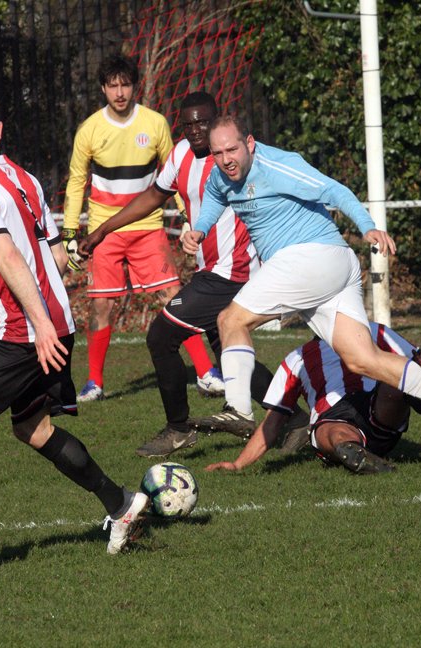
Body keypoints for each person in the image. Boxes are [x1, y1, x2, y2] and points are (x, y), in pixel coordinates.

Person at [0, 92, 148, 578]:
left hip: (27, 331)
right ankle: (121, 503)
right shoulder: (26, 179)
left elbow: (7, 255)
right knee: (32, 429)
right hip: (59, 323)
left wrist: (38, 325)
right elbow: (56, 257)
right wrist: (51, 316)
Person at [182, 115, 421, 447]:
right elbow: (214, 198)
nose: (226, 159)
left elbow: (332, 189)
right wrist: (200, 230)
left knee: (230, 320)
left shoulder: (278, 165)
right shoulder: (220, 177)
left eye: (232, 149)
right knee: (363, 359)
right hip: (328, 269)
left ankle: (238, 410)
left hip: (311, 256)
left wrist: (367, 226)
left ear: (250, 143)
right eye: (218, 153)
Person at [80, 92, 307, 457]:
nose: (196, 129)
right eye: (189, 124)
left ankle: (178, 429)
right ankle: (294, 418)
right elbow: (154, 196)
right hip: (211, 269)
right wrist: (104, 229)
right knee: (229, 353)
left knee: (161, 337)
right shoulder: (181, 154)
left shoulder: (236, 157)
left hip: (233, 273)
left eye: (203, 121)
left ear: (217, 120)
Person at [61, 54, 221, 403]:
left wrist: (189, 218)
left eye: (125, 84)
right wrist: (70, 232)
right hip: (103, 231)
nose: (119, 92)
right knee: (101, 307)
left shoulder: (155, 123)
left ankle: (206, 373)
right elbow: (76, 182)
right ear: (103, 88)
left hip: (148, 228)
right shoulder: (90, 129)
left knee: (173, 297)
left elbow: (175, 171)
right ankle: (94, 382)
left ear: (135, 86)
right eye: (112, 86)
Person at [206, 323, 421, 475]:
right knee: (332, 433)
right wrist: (238, 464)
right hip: (334, 418)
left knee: (397, 381)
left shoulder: (372, 331)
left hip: (378, 409)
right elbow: (273, 420)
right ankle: (359, 457)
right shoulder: (295, 359)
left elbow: (412, 367)